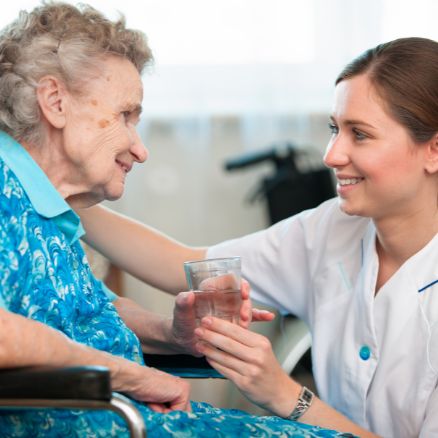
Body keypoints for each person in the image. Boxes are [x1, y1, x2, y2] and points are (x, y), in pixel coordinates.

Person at [0, 2, 351, 437]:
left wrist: (174, 335)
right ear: (55, 102)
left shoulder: (45, 205)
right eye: (126, 115)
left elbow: (82, 313)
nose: (140, 149)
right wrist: (132, 376)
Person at [79, 37, 438, 438]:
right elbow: (182, 262)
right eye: (334, 129)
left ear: (433, 150)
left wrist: (286, 395)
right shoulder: (332, 228)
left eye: (361, 135)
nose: (332, 155)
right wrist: (61, 193)